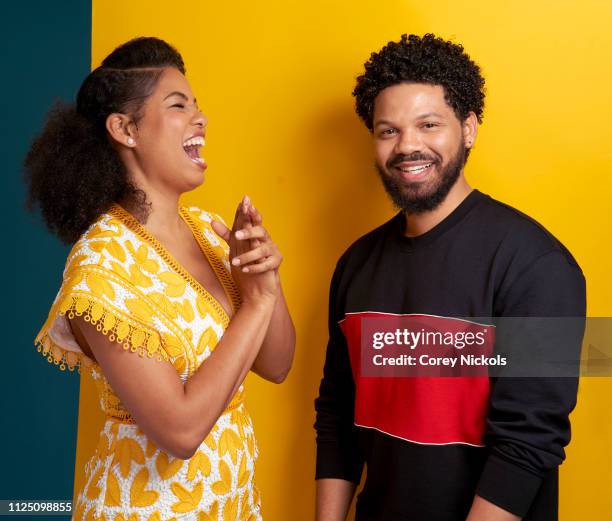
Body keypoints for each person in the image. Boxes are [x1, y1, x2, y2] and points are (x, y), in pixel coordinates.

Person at [314, 34, 585, 521]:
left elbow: (529, 444)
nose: (408, 146)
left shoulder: (539, 264)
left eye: (428, 124)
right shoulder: (354, 264)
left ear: (468, 128)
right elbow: (337, 416)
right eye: (387, 131)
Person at [25, 36, 295, 520]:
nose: (201, 117)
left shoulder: (211, 234)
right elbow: (181, 431)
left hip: (229, 504)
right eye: (178, 105)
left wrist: (265, 281)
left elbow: (276, 365)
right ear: (125, 129)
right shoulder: (101, 266)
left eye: (197, 104)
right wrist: (254, 305)